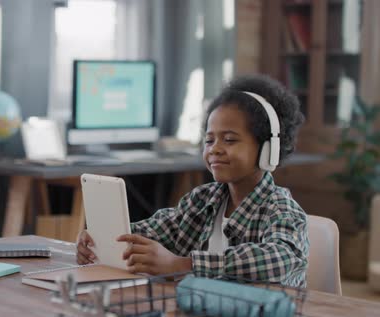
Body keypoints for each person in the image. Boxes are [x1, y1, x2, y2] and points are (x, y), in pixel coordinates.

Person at [76, 74, 308, 287]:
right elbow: (157, 229)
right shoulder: (203, 200)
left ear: (269, 148)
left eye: (229, 140)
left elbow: (280, 259)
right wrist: (101, 238)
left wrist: (182, 265)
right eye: (209, 141)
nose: (215, 149)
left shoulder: (281, 210)